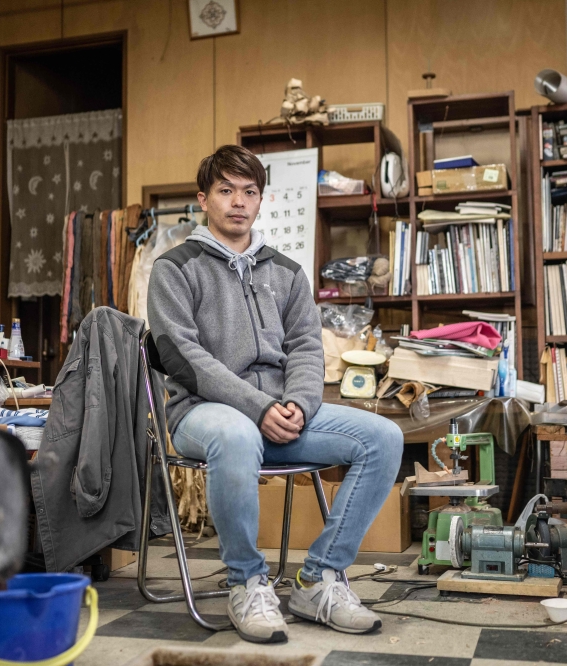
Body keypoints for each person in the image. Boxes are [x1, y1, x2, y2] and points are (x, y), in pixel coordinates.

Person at [147, 145, 404, 644]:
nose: (238, 202)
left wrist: (298, 404)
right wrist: (258, 407)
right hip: (203, 414)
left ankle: (319, 580)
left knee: (384, 437)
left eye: (249, 192)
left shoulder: (285, 271)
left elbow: (308, 347)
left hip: (283, 414)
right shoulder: (174, 268)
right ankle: (246, 582)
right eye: (226, 190)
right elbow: (184, 358)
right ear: (204, 199)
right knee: (239, 437)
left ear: (261, 201)